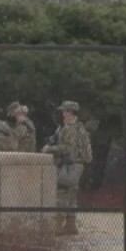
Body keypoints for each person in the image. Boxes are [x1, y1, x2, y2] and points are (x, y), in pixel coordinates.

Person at [42, 100, 93, 235]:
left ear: (70, 112)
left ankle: (57, 226)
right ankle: (71, 225)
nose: (62, 114)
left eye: (64, 111)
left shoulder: (69, 129)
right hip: (78, 165)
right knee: (71, 195)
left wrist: (49, 149)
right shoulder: (79, 127)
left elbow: (67, 148)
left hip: (70, 165)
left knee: (62, 193)